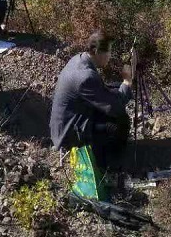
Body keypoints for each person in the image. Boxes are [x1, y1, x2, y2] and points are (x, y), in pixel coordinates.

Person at [50, 30, 133, 169]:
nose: (110, 56)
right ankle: (108, 164)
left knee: (117, 89)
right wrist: (127, 81)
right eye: (108, 52)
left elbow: (101, 92)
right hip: (69, 131)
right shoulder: (86, 77)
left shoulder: (79, 58)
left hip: (70, 117)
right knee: (120, 121)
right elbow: (116, 108)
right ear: (97, 52)